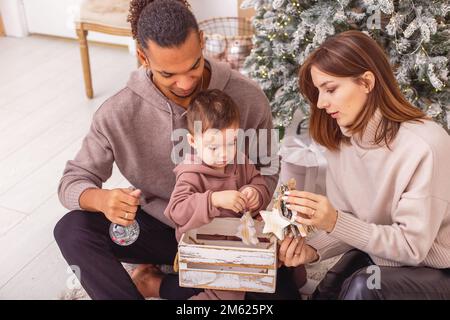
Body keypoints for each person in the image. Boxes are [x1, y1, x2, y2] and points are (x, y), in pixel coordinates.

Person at [53, 0, 279, 300]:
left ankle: (155, 284)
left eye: (193, 66)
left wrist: (254, 195)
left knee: (275, 289)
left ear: (201, 42)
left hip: (228, 232)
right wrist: (104, 200)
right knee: (72, 229)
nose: (185, 84)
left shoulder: (249, 98)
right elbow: (72, 180)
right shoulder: (118, 112)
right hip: (159, 228)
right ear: (142, 56)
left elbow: (268, 169)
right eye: (168, 74)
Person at [278, 30, 450, 299]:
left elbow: (412, 247)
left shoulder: (424, 145)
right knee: (329, 289)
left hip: (437, 267)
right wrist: (313, 250)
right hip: (383, 257)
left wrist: (334, 220)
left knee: (362, 287)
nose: (321, 103)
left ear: (367, 82)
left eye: (330, 89)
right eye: (318, 92)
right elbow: (353, 224)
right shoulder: (341, 142)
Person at [149, 89, 270, 300]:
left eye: (231, 143)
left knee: (278, 255)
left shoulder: (239, 161)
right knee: (232, 291)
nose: (224, 153)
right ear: (194, 142)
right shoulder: (191, 173)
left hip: (239, 238)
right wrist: (213, 199)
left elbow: (259, 182)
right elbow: (176, 211)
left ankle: (302, 282)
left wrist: (255, 193)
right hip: (205, 245)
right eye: (213, 147)